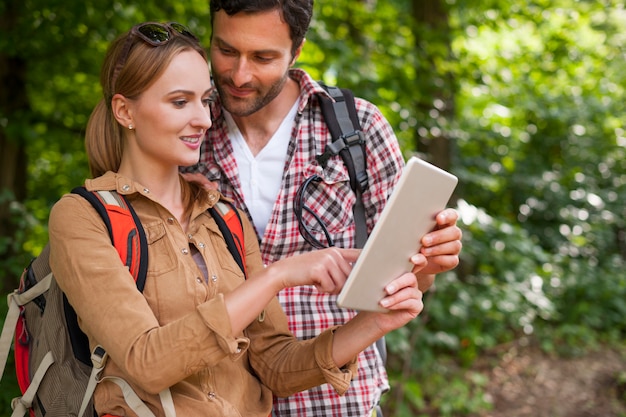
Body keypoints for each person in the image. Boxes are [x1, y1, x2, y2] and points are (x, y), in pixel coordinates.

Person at [47, 21, 428, 417]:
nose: (204, 120)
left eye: (205, 100)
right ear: (124, 110)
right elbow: (147, 362)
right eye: (180, 102)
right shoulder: (83, 217)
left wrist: (377, 322)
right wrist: (277, 275)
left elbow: (274, 367)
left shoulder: (225, 217)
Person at [180, 1, 463, 417]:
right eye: (225, 51)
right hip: (218, 400)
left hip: (338, 400)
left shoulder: (357, 128)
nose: (240, 75)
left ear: (297, 50)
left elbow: (408, 284)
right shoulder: (185, 129)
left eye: (263, 57)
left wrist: (428, 265)